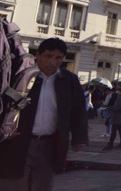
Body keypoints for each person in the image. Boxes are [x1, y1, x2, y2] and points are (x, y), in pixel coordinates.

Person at [0, 37, 88, 191]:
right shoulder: (23, 77)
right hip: (20, 142)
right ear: (38, 55)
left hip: (50, 144)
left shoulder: (69, 80)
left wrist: (79, 137)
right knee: (13, 183)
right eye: (48, 56)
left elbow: (78, 110)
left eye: (58, 58)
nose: (53, 62)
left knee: (42, 185)